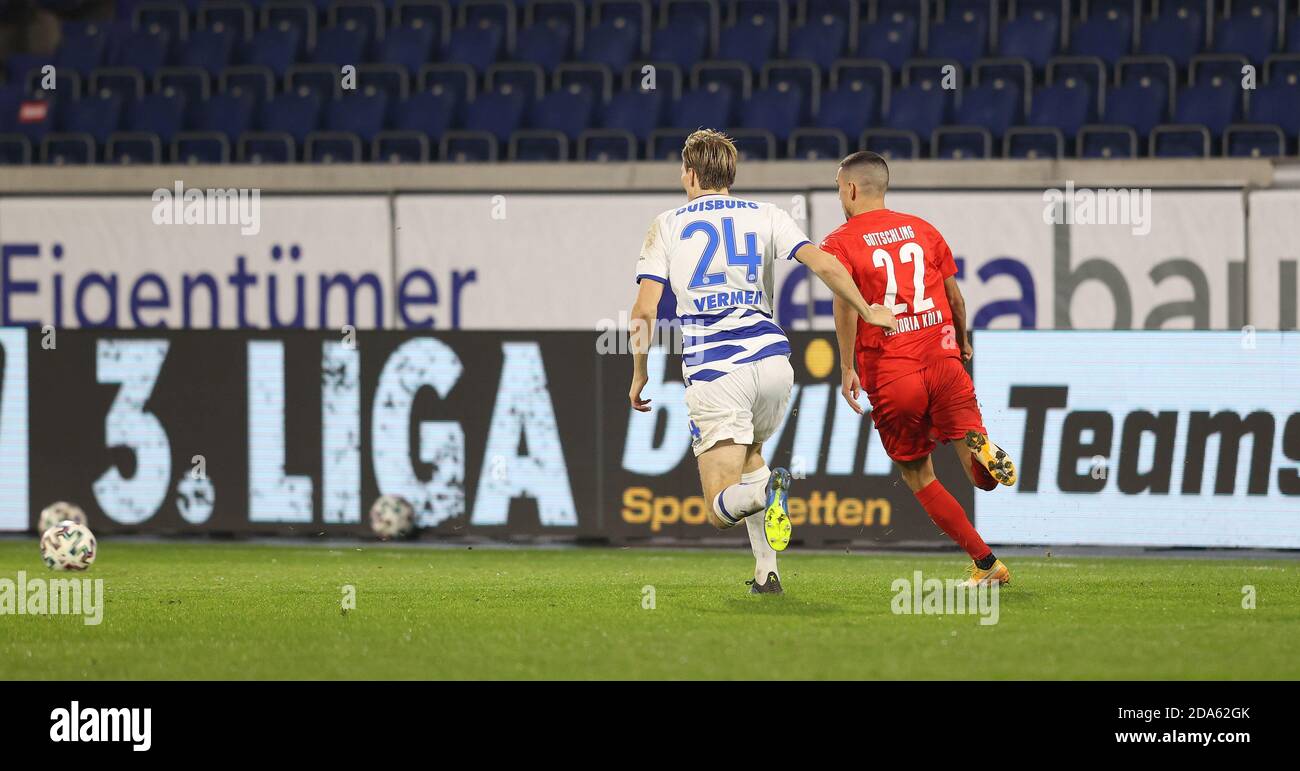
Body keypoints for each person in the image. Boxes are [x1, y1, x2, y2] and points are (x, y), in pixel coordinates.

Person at [628, 130, 896, 595]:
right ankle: (766, 572)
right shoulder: (766, 215)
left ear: (690, 173)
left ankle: (765, 494)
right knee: (752, 455)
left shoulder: (667, 224)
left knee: (717, 510)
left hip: (716, 368)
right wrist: (869, 309)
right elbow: (826, 265)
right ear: (730, 174)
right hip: (774, 363)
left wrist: (639, 373)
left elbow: (644, 311)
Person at [823, 150, 1016, 586]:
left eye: (838, 187)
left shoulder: (840, 241)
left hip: (894, 373)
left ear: (851, 189)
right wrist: (962, 341)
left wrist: (847, 366)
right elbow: (957, 300)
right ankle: (984, 450)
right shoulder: (924, 229)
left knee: (918, 474)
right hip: (944, 362)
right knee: (978, 474)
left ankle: (987, 565)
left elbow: (846, 308)